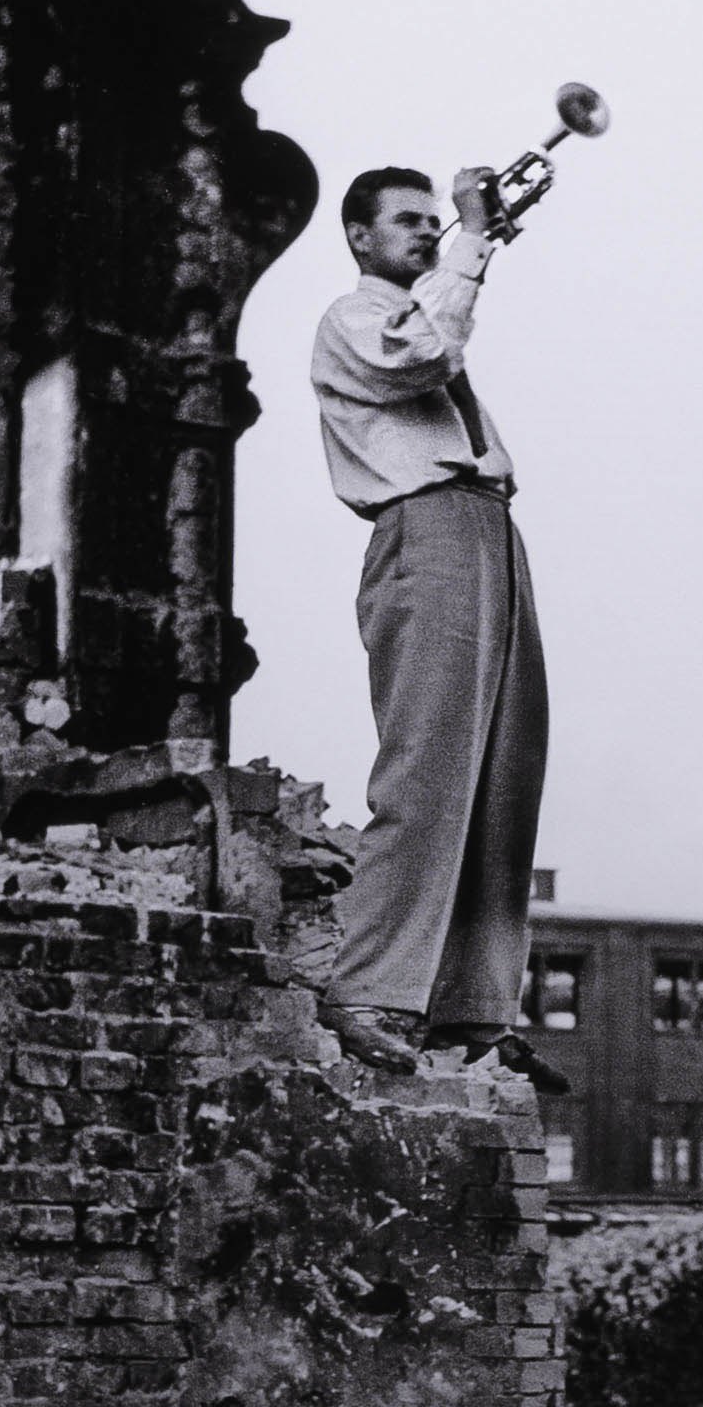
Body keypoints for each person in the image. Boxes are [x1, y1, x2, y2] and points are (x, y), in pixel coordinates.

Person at [308, 161, 559, 1086]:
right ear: (359, 238)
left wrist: (469, 246)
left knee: (505, 767)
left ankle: (473, 1008)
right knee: (428, 763)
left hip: (489, 524)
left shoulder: (424, 312)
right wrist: (473, 243)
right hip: (426, 526)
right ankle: (367, 988)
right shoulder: (355, 318)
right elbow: (420, 357)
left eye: (431, 220)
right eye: (406, 222)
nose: (425, 233)